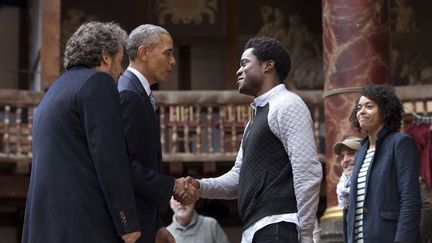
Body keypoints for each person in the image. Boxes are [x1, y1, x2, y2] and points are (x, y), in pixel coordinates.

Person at [183, 36, 323, 243]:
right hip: (257, 228)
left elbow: (307, 171)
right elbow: (239, 178)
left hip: (279, 226)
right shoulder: (254, 120)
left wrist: (304, 233)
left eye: (244, 63)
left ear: (268, 66)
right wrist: (200, 186)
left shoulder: (287, 104)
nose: (238, 71)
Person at [22, 22, 141, 243]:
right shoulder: (97, 83)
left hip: (48, 226)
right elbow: (110, 157)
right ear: (106, 56)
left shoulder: (54, 91)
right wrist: (127, 222)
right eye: (120, 59)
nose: (122, 69)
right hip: (84, 225)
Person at [118, 24, 182, 243]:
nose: (173, 61)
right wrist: (171, 186)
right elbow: (123, 165)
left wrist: (156, 225)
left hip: (145, 222)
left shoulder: (139, 92)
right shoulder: (128, 94)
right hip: (131, 227)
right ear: (143, 52)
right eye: (168, 53)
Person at [346, 84, 422, 243]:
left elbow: (410, 200)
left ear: (385, 111)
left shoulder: (400, 143)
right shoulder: (361, 152)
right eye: (359, 107)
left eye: (369, 106)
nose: (362, 111)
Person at [333, 136, 362, 242]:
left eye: (351, 153)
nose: (345, 160)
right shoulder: (343, 192)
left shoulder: (375, 181)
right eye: (342, 156)